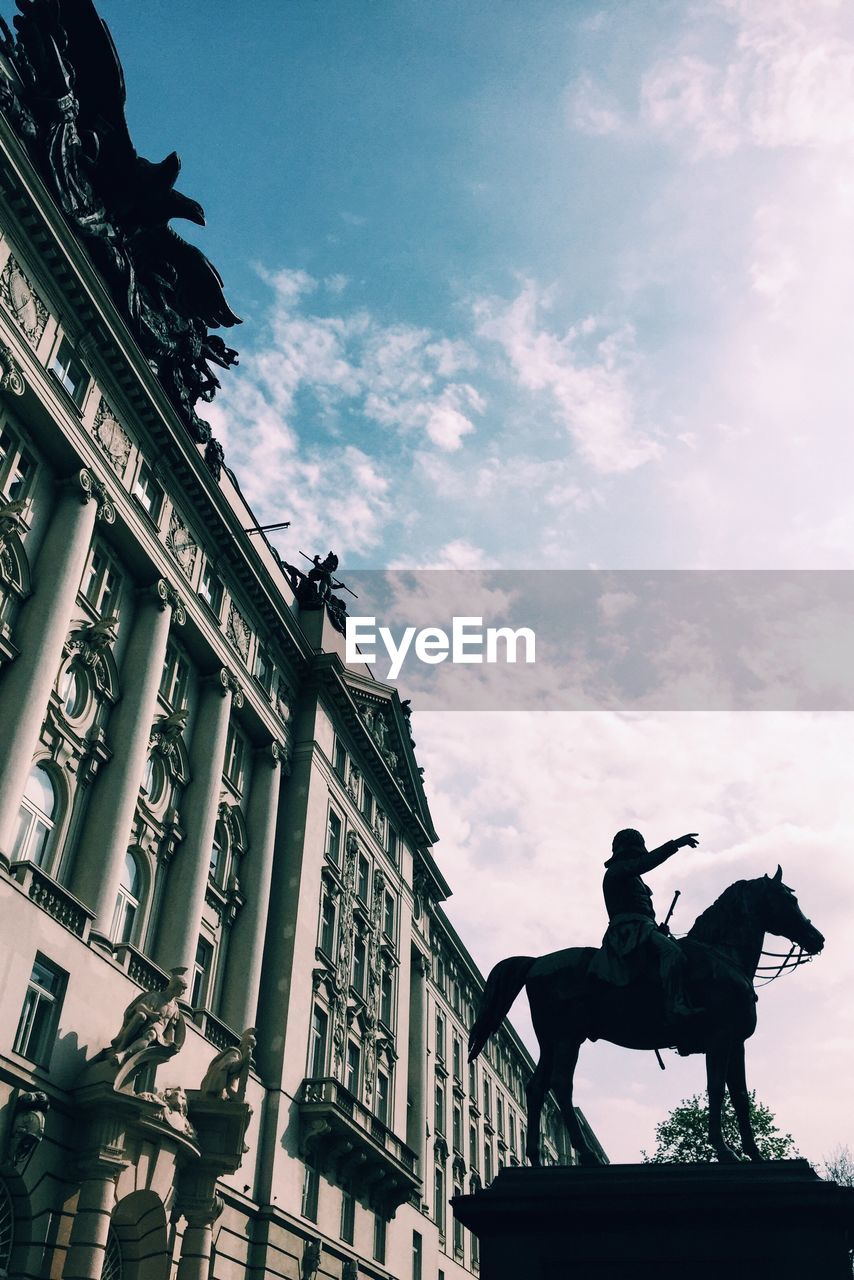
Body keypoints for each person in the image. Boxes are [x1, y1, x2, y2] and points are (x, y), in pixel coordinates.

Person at [589, 828, 700, 1022]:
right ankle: (676, 1005)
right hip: (628, 930)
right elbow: (644, 864)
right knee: (672, 953)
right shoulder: (617, 870)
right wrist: (675, 845)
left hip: (644, 928)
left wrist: (658, 929)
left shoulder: (632, 875)